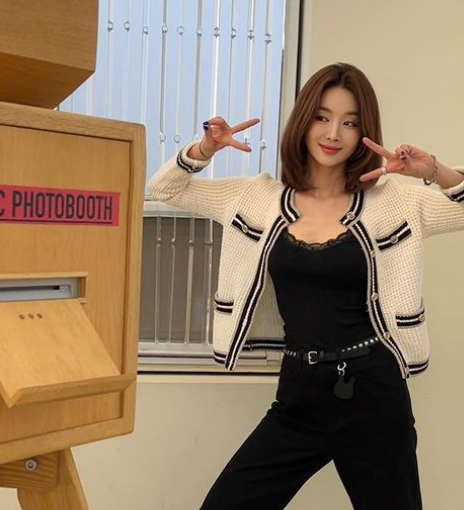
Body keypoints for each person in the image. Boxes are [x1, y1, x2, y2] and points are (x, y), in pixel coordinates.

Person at [148, 62, 464, 510]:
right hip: (298, 393)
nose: (333, 133)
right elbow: (165, 189)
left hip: (374, 393)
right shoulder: (256, 199)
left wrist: (433, 171)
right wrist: (204, 149)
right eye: (322, 116)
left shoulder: (394, 202)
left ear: (364, 133)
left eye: (349, 122)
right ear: (303, 121)